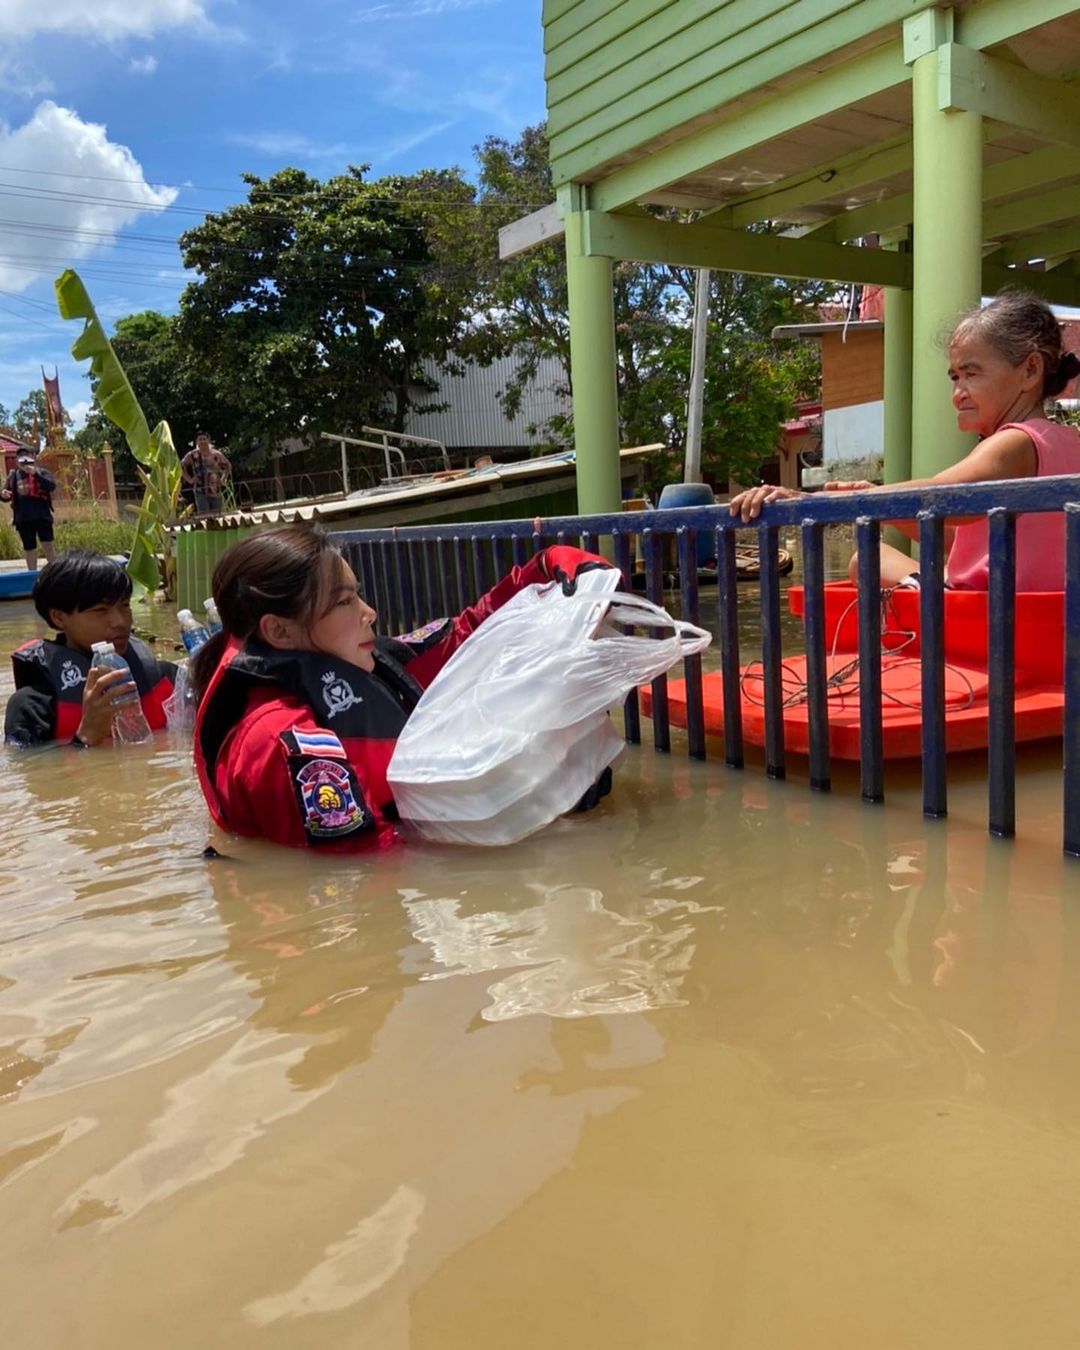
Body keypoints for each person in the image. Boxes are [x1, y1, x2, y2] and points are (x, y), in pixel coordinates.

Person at [190, 525, 613, 851]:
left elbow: (461, 638)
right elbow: (371, 882)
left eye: (359, 596)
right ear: (279, 631)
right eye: (344, 602)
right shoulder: (280, 746)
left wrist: (546, 568)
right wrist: (537, 818)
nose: (369, 613)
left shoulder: (358, 661)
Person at [729, 289, 1080, 590]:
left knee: (866, 560)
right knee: (873, 558)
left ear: (1030, 370)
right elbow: (970, 540)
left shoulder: (1013, 443)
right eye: (955, 377)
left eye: (971, 374)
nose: (958, 393)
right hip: (1047, 616)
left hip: (994, 619)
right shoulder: (1069, 441)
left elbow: (937, 499)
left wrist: (808, 502)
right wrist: (871, 500)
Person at [4, 551, 177, 748]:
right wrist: (87, 734)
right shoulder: (33, 706)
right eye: (100, 610)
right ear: (59, 617)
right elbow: (26, 770)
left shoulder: (167, 678)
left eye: (125, 606)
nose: (120, 622)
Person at [2, 450, 57, 571]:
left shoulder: (42, 473)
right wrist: (3, 494)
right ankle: (31, 574)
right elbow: (4, 493)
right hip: (23, 518)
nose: (24, 460)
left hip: (42, 516)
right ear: (17, 460)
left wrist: (35, 473)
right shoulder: (13, 476)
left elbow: (51, 486)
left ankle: (55, 572)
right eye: (21, 456)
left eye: (27, 456)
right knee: (29, 547)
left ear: (33, 458)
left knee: (47, 545)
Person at [181, 431, 231, 516]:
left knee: (219, 515)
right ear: (196, 441)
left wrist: (223, 479)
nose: (202, 441)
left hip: (215, 489)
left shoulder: (216, 454)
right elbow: (181, 467)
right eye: (200, 439)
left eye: (204, 439)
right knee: (205, 516)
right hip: (200, 490)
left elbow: (228, 465)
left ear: (208, 441)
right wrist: (190, 480)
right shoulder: (192, 455)